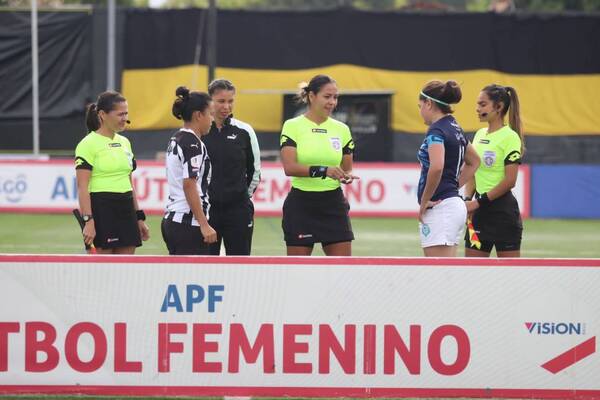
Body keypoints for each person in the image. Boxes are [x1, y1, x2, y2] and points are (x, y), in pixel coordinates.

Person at [280, 74, 359, 256]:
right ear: (311, 96)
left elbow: (347, 168)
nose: (332, 102)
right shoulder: (292, 126)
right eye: (327, 96)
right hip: (301, 205)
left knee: (341, 272)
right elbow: (289, 168)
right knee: (298, 273)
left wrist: (346, 175)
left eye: (335, 97)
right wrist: (324, 170)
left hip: (333, 205)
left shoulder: (342, 129)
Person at [75, 91, 149, 254]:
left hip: (126, 209)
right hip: (102, 210)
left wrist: (139, 217)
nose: (125, 118)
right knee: (102, 273)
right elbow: (82, 187)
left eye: (126, 113)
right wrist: (88, 221)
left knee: (125, 272)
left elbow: (130, 183)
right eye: (120, 114)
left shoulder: (125, 143)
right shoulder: (87, 144)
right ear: (102, 114)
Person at [417, 80, 480, 257]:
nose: (420, 111)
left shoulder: (436, 130)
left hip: (440, 208)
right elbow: (474, 161)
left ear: (429, 104)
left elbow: (437, 167)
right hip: (452, 205)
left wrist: (424, 200)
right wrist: (453, 187)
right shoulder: (454, 127)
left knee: (438, 275)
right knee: (446, 273)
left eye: (420, 105)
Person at [464, 84, 524, 257]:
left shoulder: (510, 137)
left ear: (499, 107)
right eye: (477, 104)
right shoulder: (480, 134)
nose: (477, 109)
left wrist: (477, 202)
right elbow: (473, 170)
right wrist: (468, 199)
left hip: (503, 215)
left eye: (482, 104)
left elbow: (510, 181)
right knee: (471, 275)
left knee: (509, 278)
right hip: (478, 215)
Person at [203, 79, 261, 255]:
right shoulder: (199, 131)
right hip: (206, 211)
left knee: (240, 267)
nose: (226, 106)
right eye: (221, 101)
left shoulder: (245, 131)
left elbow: (254, 171)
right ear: (209, 101)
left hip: (238, 210)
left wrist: (241, 197)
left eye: (230, 101)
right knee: (205, 266)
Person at [161, 86, 218, 255]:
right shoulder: (193, 144)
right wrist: (204, 224)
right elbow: (189, 185)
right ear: (198, 115)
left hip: (173, 220)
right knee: (193, 278)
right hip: (187, 223)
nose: (212, 119)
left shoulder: (177, 138)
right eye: (210, 114)